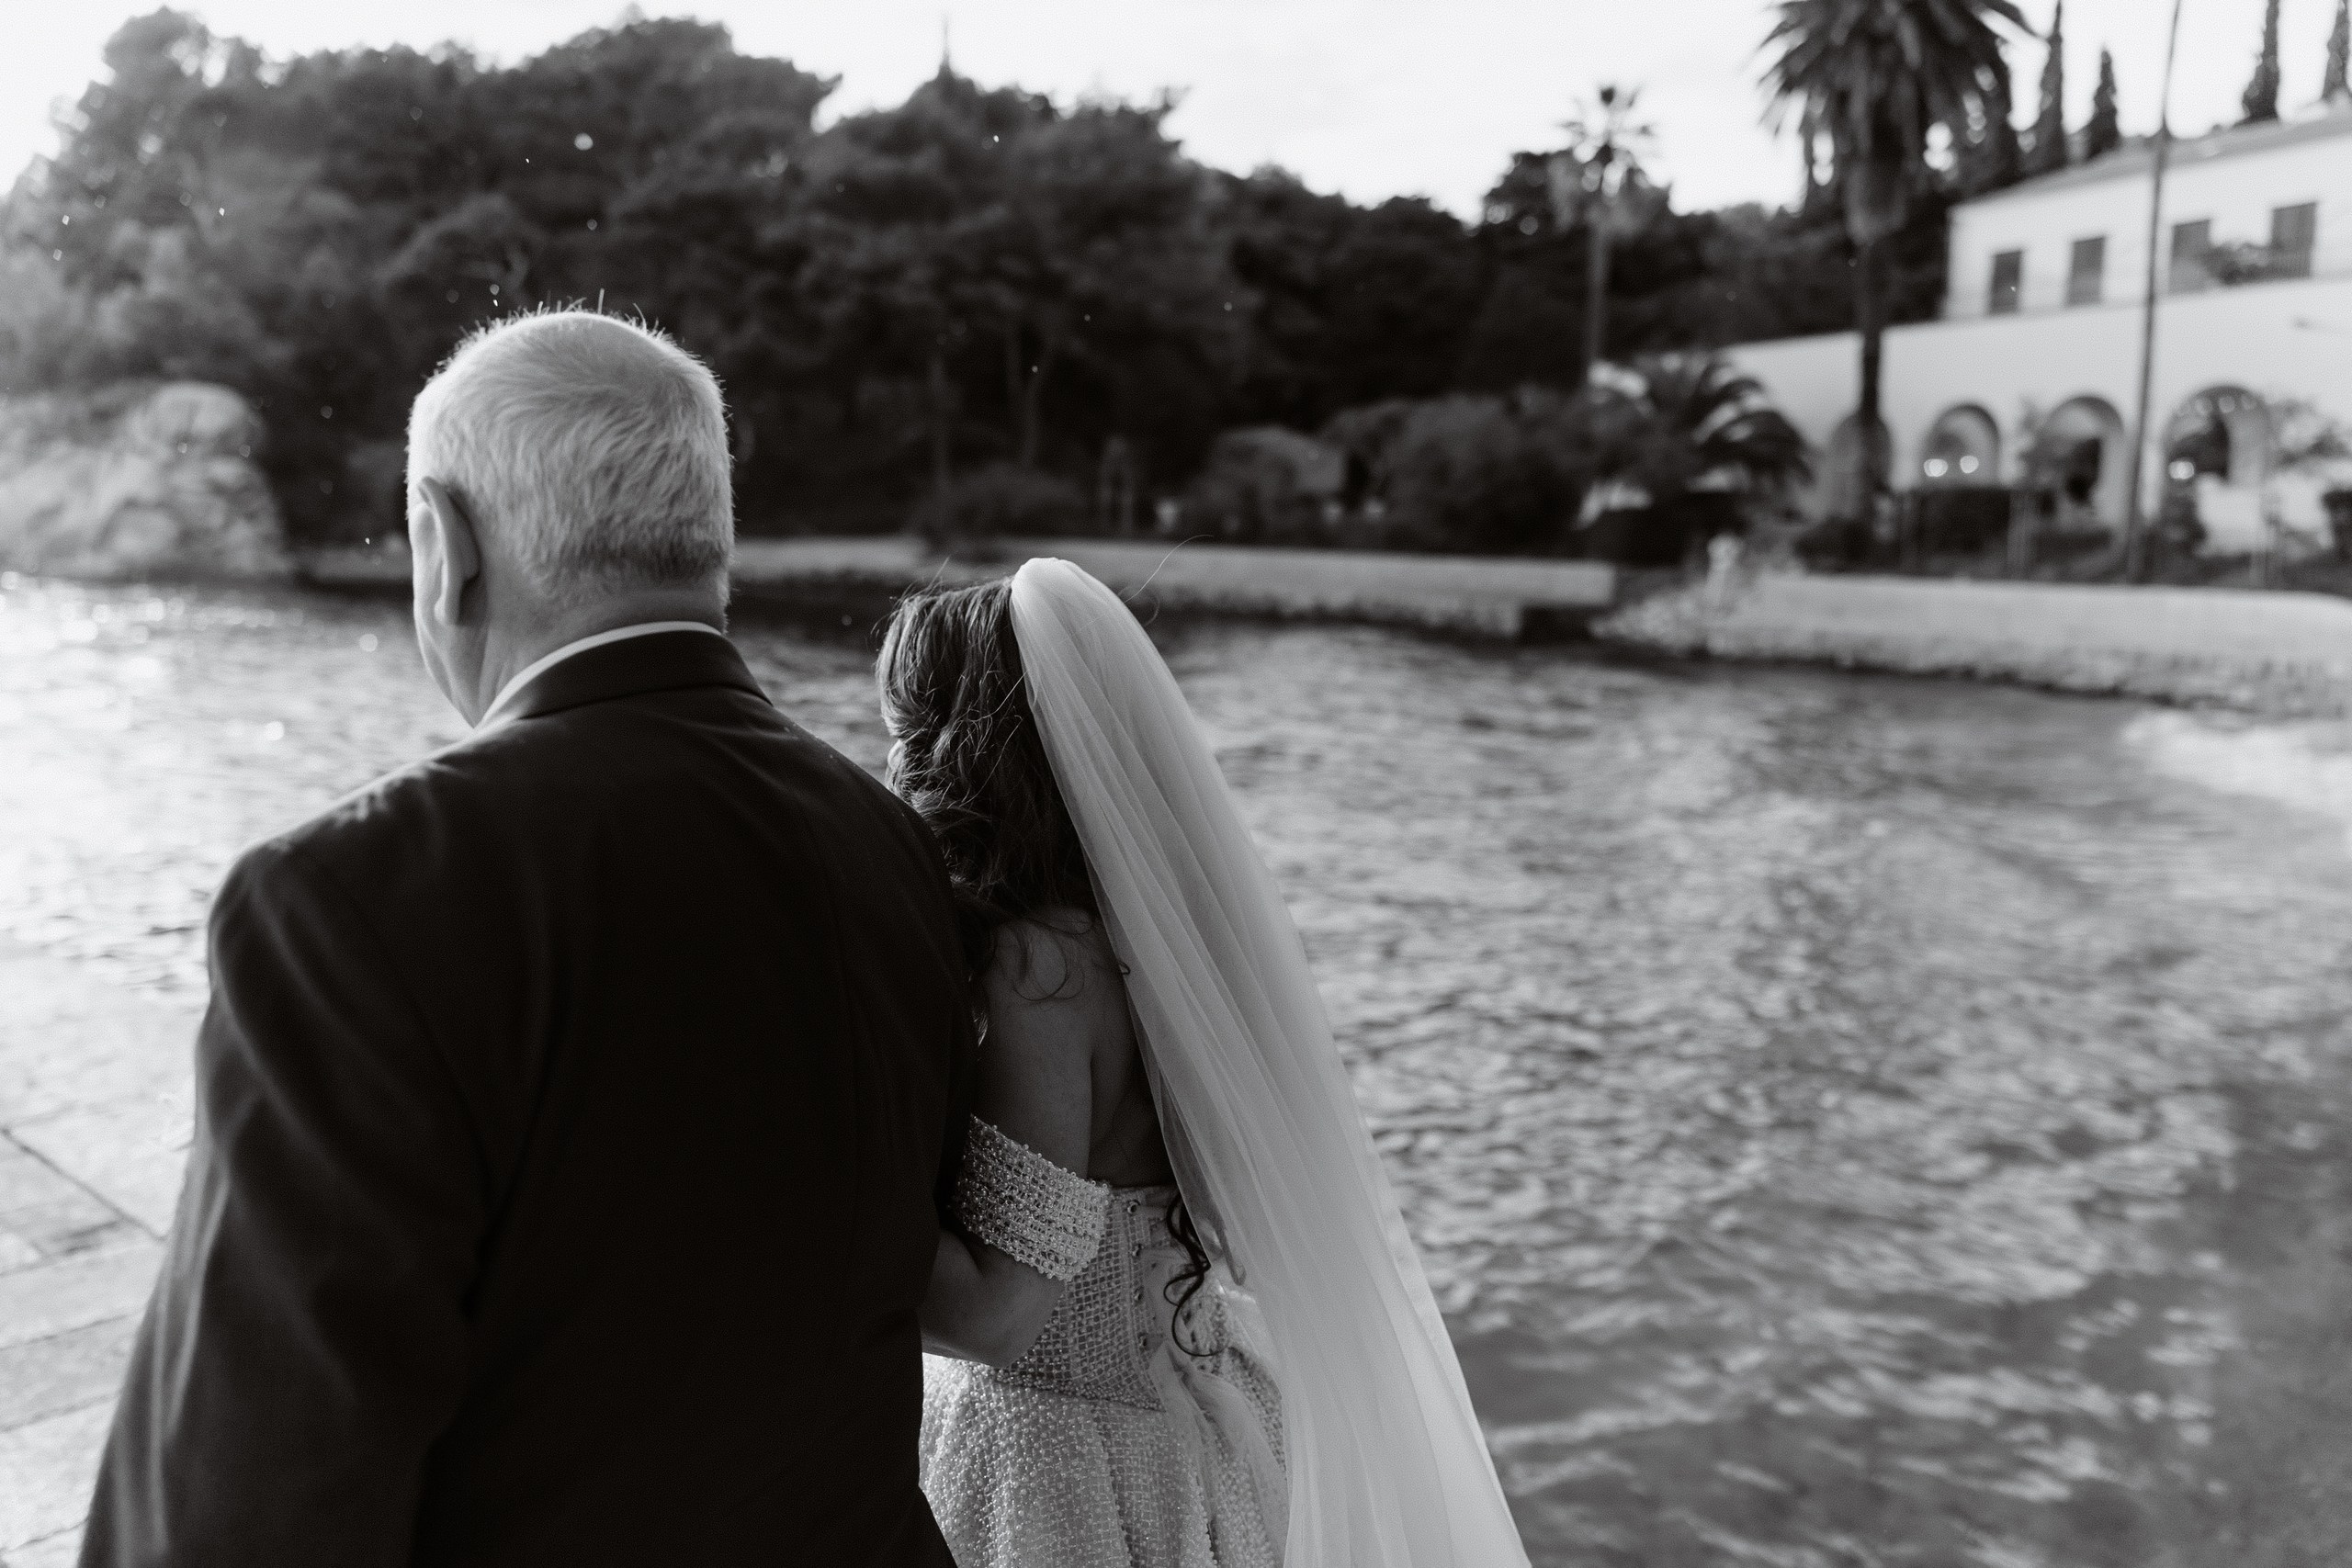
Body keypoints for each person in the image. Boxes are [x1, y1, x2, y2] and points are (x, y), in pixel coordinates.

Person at [80, 309, 975, 1566]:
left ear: (443, 547)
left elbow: (244, 1497)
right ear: (708, 542)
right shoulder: (889, 846)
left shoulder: (351, 900)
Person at [878, 562, 1531, 1568]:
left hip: (1055, 1470)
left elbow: (999, 1315)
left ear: (963, 748)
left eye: (908, 729)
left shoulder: (1035, 967)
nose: (892, 759)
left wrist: (805, 1212)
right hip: (1208, 1439)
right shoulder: (1170, 948)